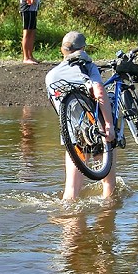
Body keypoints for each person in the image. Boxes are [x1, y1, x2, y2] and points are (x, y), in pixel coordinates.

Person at [44, 31, 116, 201]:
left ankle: (70, 220)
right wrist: (108, 125)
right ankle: (107, 217)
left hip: (71, 135)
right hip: (95, 130)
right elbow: (99, 92)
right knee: (108, 183)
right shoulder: (86, 66)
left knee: (71, 189)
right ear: (83, 49)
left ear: (62, 50)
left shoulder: (51, 76)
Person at [19, 0, 43, 64]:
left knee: (32, 32)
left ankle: (30, 56)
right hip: (27, 9)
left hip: (32, 10)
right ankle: (26, 57)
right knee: (27, 33)